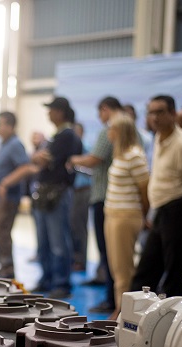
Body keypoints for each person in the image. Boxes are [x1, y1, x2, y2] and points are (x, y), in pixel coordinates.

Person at [0, 97, 82, 298]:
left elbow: (42, 160)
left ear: (60, 112)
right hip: (45, 194)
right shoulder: (56, 136)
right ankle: (47, 279)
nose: (48, 114)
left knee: (58, 241)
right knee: (44, 241)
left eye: (51, 110)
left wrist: (40, 157)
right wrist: (39, 156)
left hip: (57, 193)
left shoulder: (67, 136)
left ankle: (61, 283)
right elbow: (37, 158)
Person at [130, 95, 182, 299]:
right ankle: (133, 318)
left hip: (180, 211)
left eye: (160, 112)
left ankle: (177, 325)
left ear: (173, 114)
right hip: (162, 211)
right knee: (146, 270)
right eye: (151, 112)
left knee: (176, 272)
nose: (154, 117)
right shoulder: (158, 137)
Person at [70, 96, 122, 313]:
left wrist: (73, 160)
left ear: (105, 109)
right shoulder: (127, 131)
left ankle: (112, 300)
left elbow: (95, 159)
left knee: (109, 252)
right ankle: (114, 299)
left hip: (104, 198)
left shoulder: (110, 130)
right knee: (114, 254)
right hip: (113, 199)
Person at [104, 113, 149, 320]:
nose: (108, 132)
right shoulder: (120, 154)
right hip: (112, 214)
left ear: (121, 131)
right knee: (115, 265)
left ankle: (123, 311)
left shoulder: (134, 155)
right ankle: (120, 306)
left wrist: (145, 215)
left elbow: (144, 189)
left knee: (123, 268)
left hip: (126, 215)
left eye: (112, 128)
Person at [0, 111, 28, 279]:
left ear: (10, 126)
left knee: (3, 232)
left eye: (1, 124)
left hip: (6, 198)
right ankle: (3, 265)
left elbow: (24, 167)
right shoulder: (3, 143)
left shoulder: (15, 144)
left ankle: (7, 269)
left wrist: (5, 183)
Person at [70, 123, 91, 272]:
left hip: (83, 190)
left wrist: (75, 163)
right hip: (72, 192)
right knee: (72, 226)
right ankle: (74, 258)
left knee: (79, 227)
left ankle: (80, 260)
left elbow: (91, 168)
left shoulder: (87, 149)